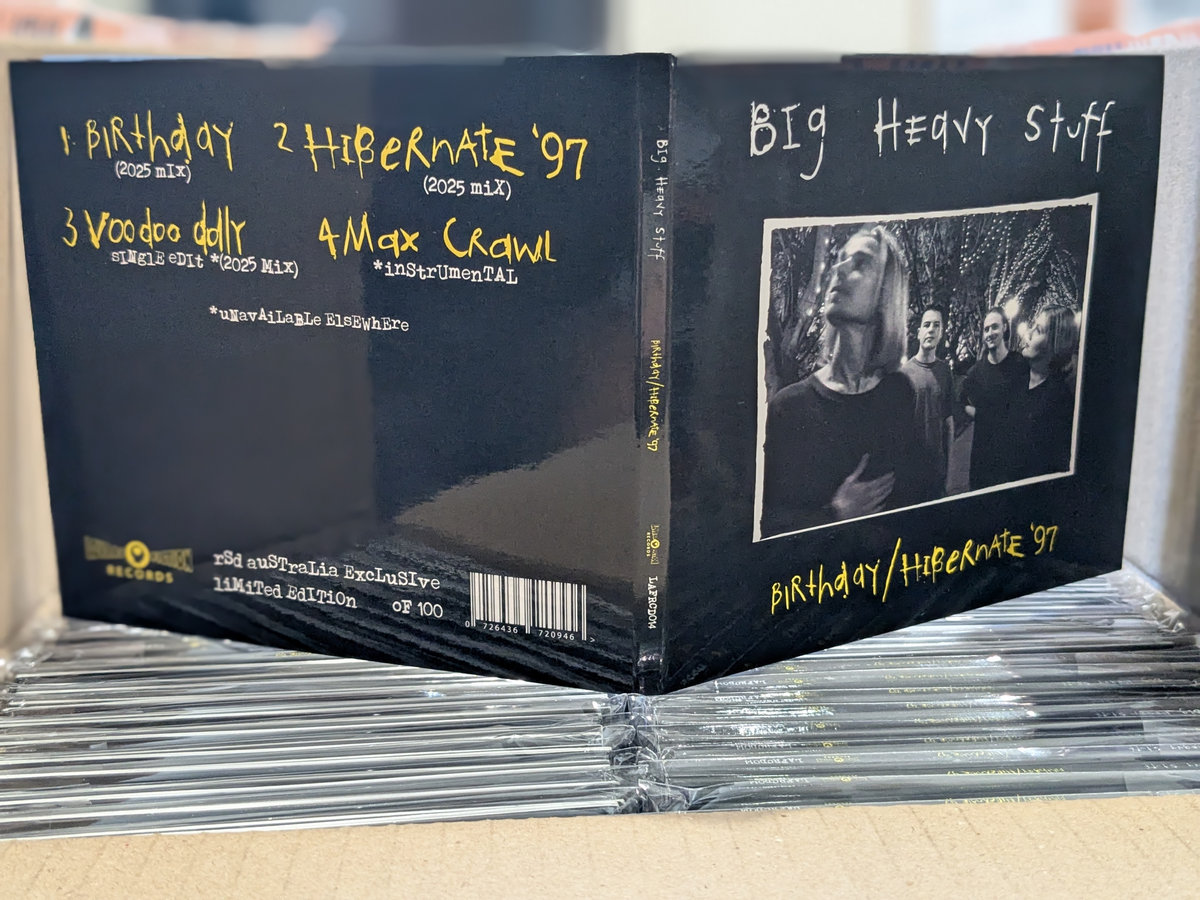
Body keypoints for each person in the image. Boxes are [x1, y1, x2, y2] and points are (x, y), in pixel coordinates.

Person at [760, 225, 931, 536]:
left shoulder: (899, 394)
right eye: (840, 259)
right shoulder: (788, 407)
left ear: (885, 293)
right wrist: (835, 514)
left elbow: (918, 500)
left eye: (860, 263)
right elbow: (767, 528)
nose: (838, 268)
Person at [961, 306, 1028, 490]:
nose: (990, 333)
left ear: (1005, 327)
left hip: (1013, 459)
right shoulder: (975, 373)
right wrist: (979, 415)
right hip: (983, 460)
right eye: (986, 329)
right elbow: (961, 403)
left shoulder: (1020, 365)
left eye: (994, 327)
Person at [1014, 305, 1079, 478]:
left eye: (1038, 330)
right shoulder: (1016, 379)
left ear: (1056, 344)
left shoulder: (1060, 401)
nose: (1028, 333)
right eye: (1033, 326)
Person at [901, 305, 954, 497]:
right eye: (927, 325)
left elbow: (948, 422)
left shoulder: (945, 372)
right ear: (919, 333)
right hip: (910, 473)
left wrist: (949, 468)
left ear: (941, 333)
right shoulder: (904, 374)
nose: (931, 329)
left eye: (936, 325)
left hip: (937, 472)